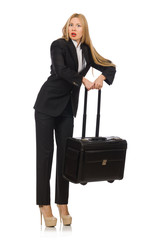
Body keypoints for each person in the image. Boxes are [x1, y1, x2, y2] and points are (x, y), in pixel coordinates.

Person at [33, 13, 116, 227]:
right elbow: (61, 70)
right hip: (47, 105)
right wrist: (84, 80)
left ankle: (62, 204)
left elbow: (109, 65)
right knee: (45, 156)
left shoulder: (87, 51)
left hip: (68, 109)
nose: (74, 28)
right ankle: (44, 205)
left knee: (65, 158)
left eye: (78, 25)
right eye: (71, 24)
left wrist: (101, 77)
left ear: (84, 29)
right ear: (67, 27)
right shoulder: (58, 45)